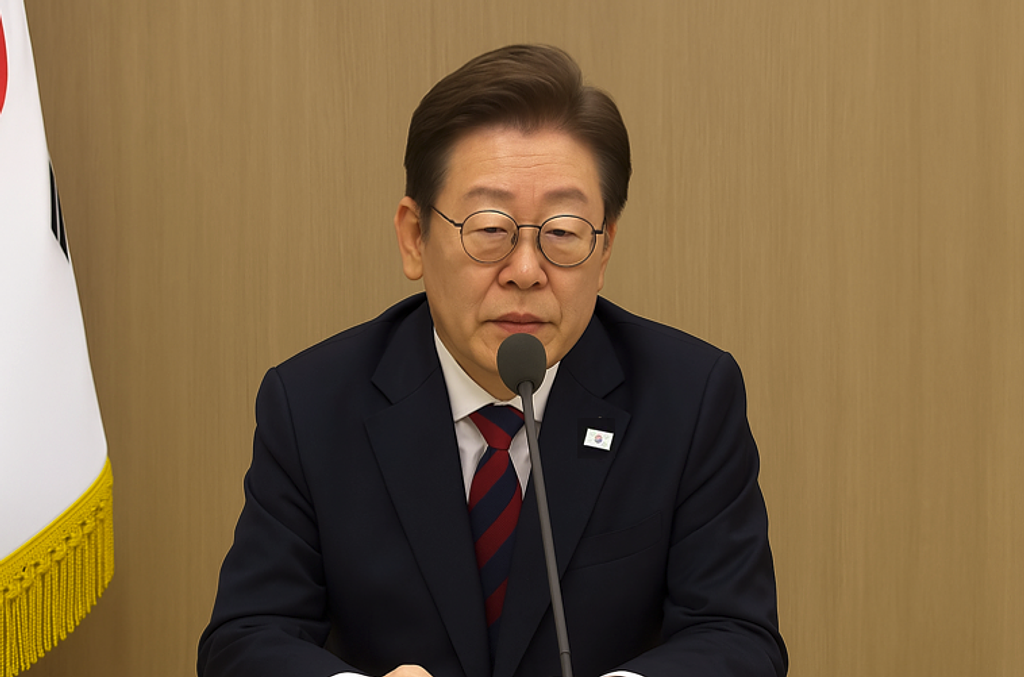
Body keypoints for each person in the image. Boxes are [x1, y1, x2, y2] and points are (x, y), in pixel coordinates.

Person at [198, 44, 787, 677]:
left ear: (604, 248)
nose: (526, 271)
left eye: (562, 232)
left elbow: (738, 637)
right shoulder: (312, 404)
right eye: (490, 229)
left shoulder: (689, 399)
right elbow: (246, 638)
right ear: (414, 237)